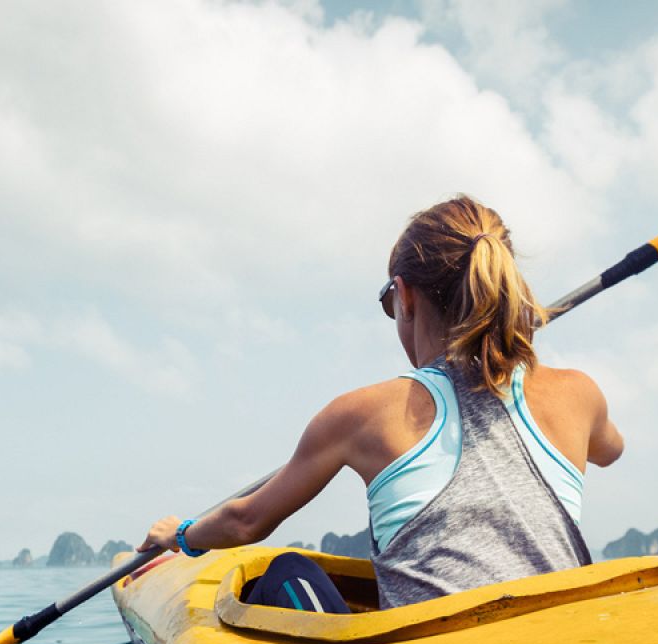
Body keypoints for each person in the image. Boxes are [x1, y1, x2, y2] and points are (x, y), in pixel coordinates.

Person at [139, 195, 624, 610]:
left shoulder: (362, 414)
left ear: (404, 296)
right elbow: (610, 450)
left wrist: (179, 535)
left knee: (286, 571)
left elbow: (246, 521)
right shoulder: (578, 394)